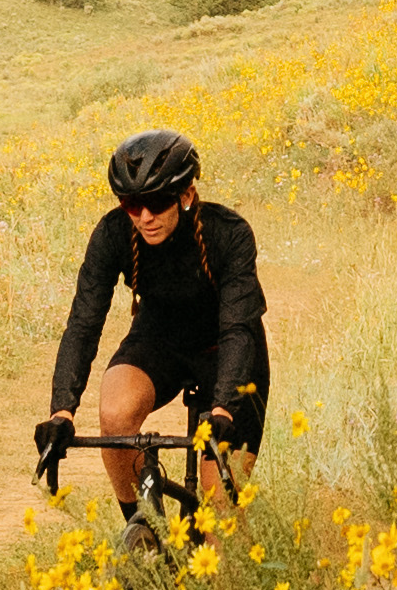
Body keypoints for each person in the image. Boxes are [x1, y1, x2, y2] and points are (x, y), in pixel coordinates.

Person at [33, 126, 269, 520]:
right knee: (115, 415)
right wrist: (62, 411)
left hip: (227, 354)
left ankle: (220, 566)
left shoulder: (229, 235)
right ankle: (143, 530)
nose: (145, 217)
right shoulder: (113, 234)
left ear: (187, 195)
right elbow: (83, 323)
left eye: (157, 203)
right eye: (131, 204)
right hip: (159, 340)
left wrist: (224, 409)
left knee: (220, 520)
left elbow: (237, 329)